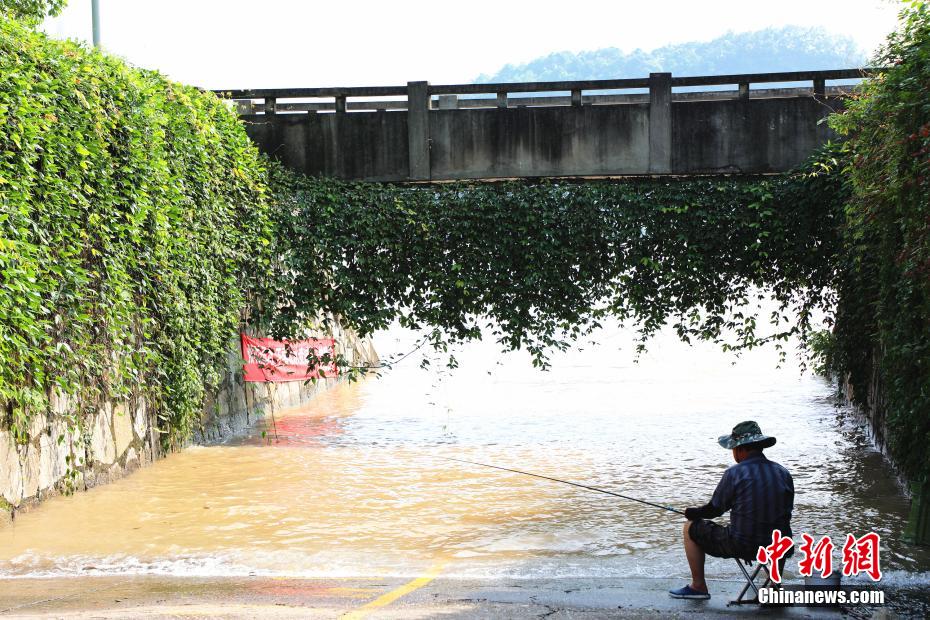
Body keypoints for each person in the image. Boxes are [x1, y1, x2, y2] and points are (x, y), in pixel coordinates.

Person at [669, 420, 794, 600]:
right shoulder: (783, 473)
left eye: (734, 448)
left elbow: (714, 509)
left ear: (741, 449)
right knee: (778, 531)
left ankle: (698, 586)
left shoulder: (735, 473)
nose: (733, 452)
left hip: (743, 545)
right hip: (780, 547)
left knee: (689, 527)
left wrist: (694, 513)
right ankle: (774, 586)